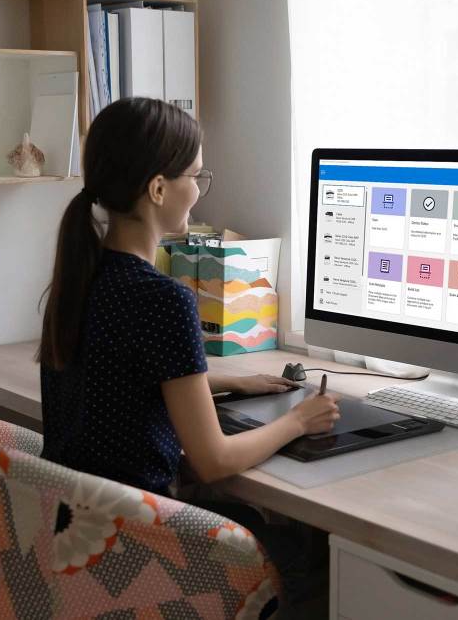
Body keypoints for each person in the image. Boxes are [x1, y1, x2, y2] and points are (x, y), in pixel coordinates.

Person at [38, 97, 338, 612]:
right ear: (158, 188)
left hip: (79, 536)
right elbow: (214, 460)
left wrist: (221, 383)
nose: (199, 191)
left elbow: (117, 382)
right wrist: (300, 420)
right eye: (196, 176)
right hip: (137, 541)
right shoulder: (162, 298)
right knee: (307, 559)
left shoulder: (79, 279)